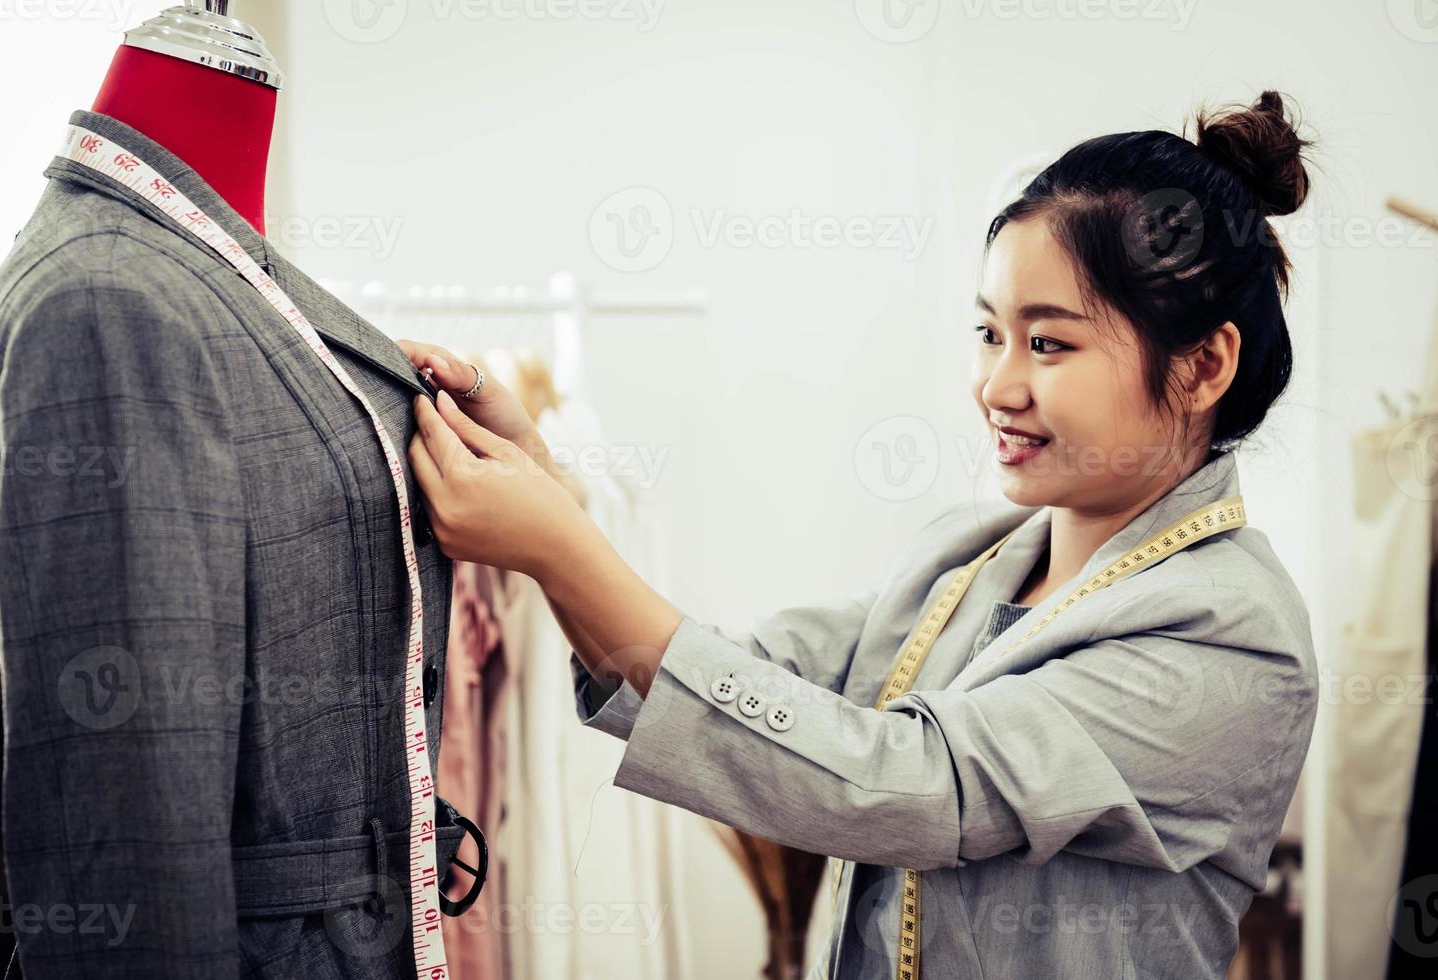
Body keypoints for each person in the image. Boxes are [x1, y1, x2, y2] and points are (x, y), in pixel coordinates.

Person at [399, 89, 1320, 979]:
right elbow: (750, 680)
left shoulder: (1230, 633)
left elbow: (907, 784)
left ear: (1202, 365)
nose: (996, 385)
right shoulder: (973, 556)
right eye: (987, 332)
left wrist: (561, 545)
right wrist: (557, 497)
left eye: (1047, 344)